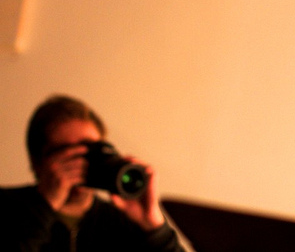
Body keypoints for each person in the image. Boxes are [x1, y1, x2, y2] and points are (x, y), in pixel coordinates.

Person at [0, 95, 186, 251]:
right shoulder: (6, 206)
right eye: (67, 154)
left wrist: (154, 228)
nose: (81, 163)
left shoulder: (122, 222)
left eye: (90, 151)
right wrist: (44, 207)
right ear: (37, 162)